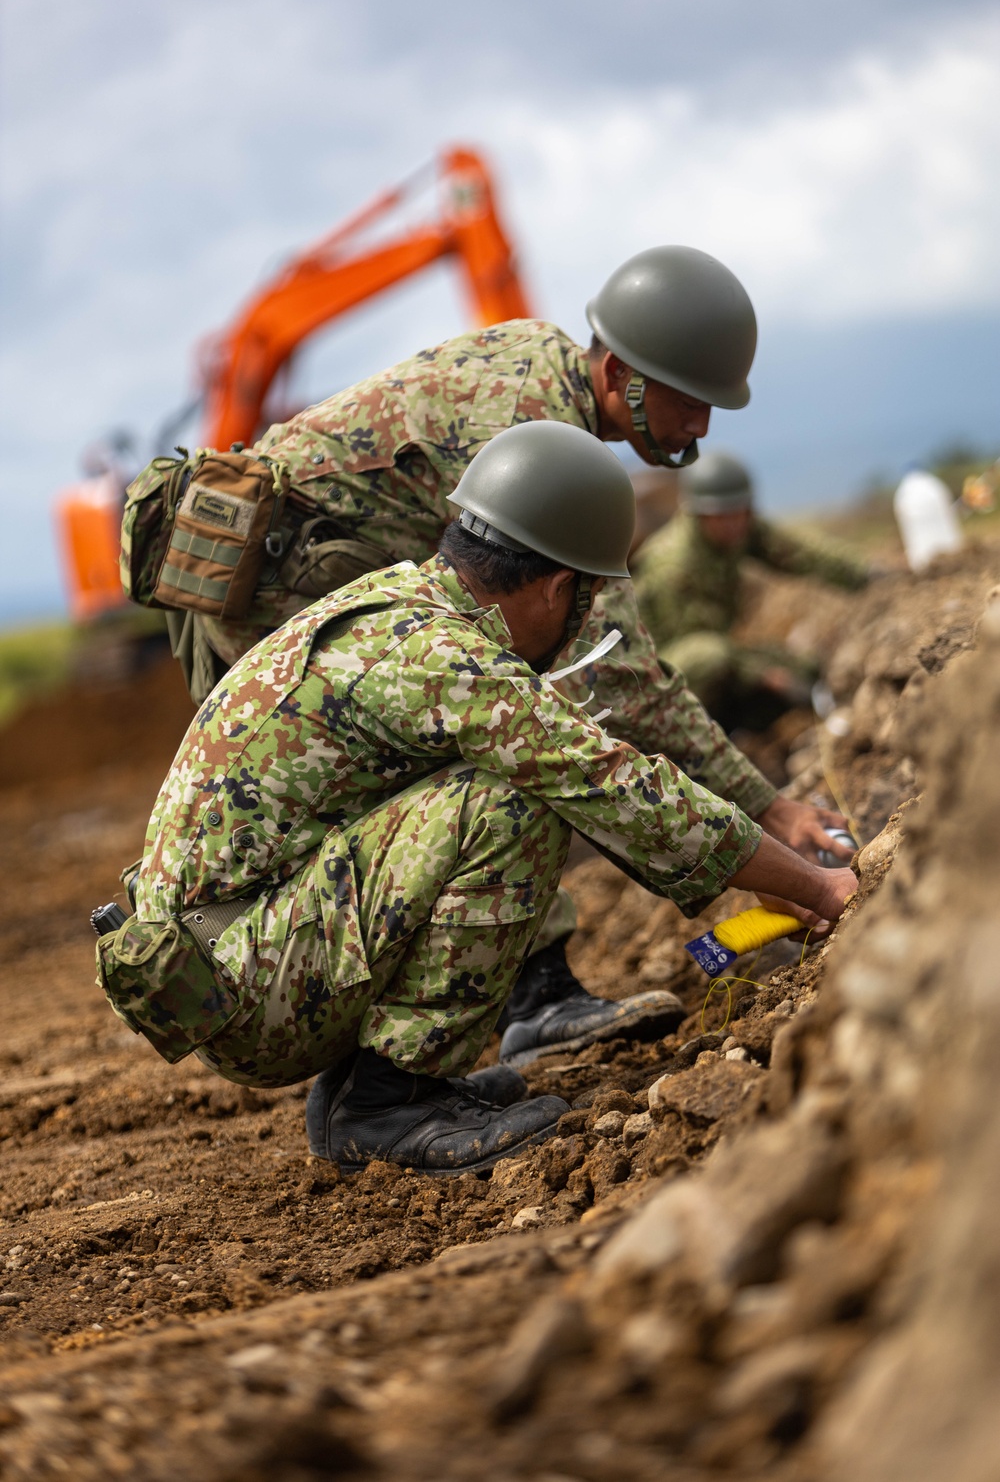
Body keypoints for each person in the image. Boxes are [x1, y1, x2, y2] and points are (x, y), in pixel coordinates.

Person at [152, 245, 850, 1066]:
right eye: (690, 402)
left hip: (324, 614)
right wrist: (768, 817)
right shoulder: (529, 424)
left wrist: (758, 814)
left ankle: (441, 1020)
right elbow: (616, 677)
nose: (699, 429)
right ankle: (449, 1038)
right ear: (621, 372)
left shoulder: (545, 376)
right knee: (513, 769)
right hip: (270, 606)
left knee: (512, 753)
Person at [103, 424, 856, 1176]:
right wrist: (818, 887)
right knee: (510, 802)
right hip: (246, 992)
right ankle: (388, 1101)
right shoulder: (443, 656)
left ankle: (365, 1087)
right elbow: (613, 786)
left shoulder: (399, 603)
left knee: (473, 790)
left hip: (231, 958)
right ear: (560, 587)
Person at [632, 450, 871, 730]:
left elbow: (800, 554)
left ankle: (738, 726)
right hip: (658, 674)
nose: (734, 523)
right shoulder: (673, 567)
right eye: (721, 516)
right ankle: (698, 737)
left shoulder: (737, 529)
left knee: (803, 668)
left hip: (718, 650)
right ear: (698, 515)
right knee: (716, 659)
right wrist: (767, 675)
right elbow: (700, 648)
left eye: (741, 512)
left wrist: (864, 574)